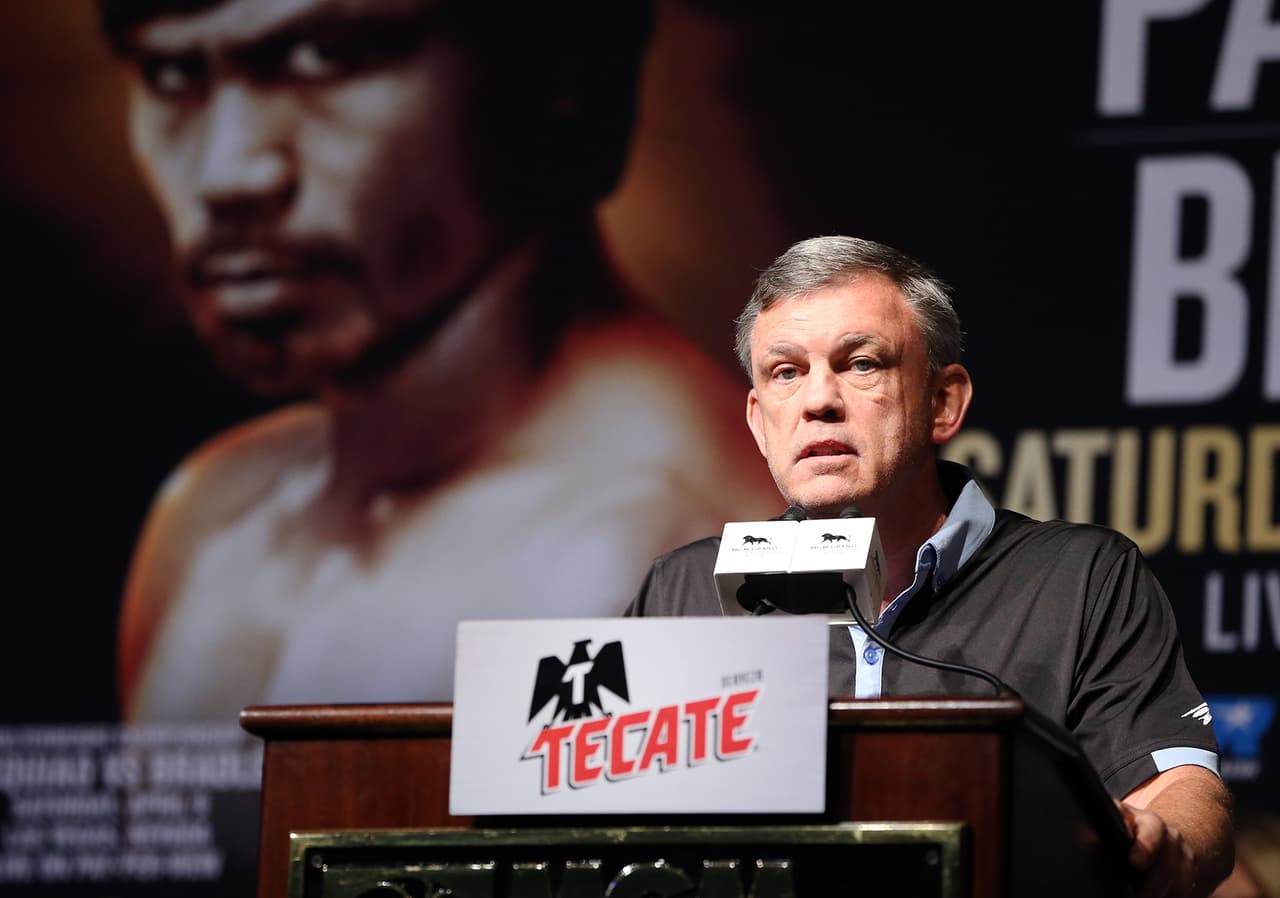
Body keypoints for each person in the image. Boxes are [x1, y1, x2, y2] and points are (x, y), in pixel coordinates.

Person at [99, 0, 778, 721]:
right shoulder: (210, 518)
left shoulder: (710, 547)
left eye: (327, 57)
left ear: (566, 74)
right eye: (172, 73)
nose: (228, 172)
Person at [628, 235, 1234, 897]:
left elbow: (1182, 787)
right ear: (758, 420)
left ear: (944, 402)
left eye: (861, 364)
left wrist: (1168, 838)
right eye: (785, 372)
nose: (817, 401)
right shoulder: (684, 588)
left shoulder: (1082, 577)